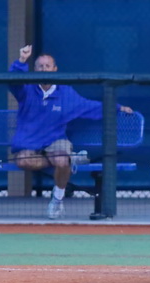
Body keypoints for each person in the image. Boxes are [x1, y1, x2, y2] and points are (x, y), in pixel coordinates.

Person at [8, 45, 134, 220]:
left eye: (47, 66)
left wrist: (117, 107)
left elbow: (90, 107)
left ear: (55, 69)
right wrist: (22, 60)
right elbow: (13, 81)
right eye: (40, 66)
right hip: (30, 143)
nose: (44, 69)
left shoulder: (66, 93)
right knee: (23, 161)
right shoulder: (26, 89)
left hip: (56, 141)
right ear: (34, 70)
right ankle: (70, 161)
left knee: (61, 160)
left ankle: (57, 199)